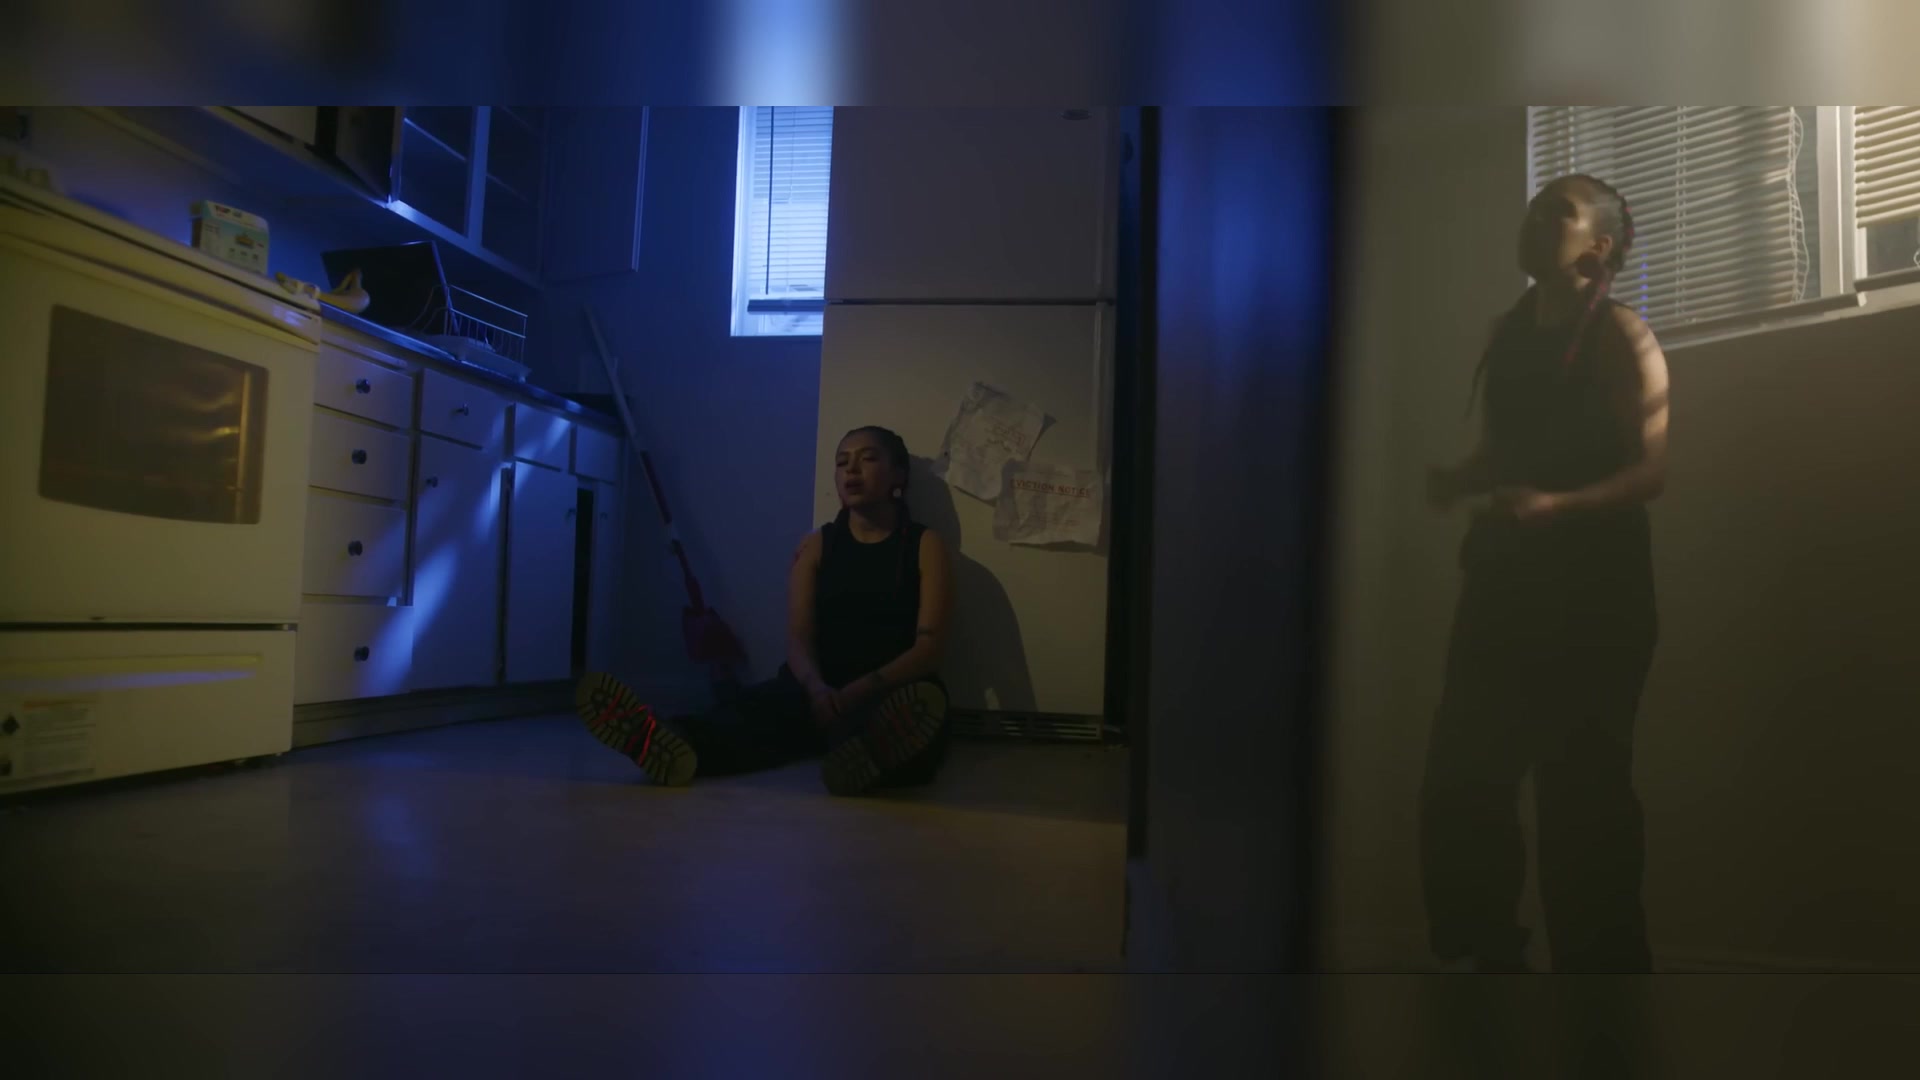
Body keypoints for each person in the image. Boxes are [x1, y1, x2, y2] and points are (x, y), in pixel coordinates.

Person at [1420, 173, 1672, 973]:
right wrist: (1460, 478)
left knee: (1583, 792)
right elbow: (1505, 451)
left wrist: (1560, 506)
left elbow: (1650, 471)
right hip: (1504, 581)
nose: (1534, 218)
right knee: (1463, 776)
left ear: (1598, 248)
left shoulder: (1622, 334)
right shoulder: (1510, 332)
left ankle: (1603, 988)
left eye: (1557, 212)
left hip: (1596, 591)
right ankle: (1480, 964)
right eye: (1533, 207)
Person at [574, 425, 956, 797]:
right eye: (842, 462)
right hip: (817, 686)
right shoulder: (817, 545)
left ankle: (867, 756)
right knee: (753, 715)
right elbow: (798, 640)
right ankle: (667, 739)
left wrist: (855, 693)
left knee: (912, 723)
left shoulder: (924, 544)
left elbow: (929, 649)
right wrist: (817, 689)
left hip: (887, 687)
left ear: (898, 475)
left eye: (868, 459)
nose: (851, 470)